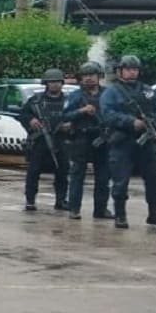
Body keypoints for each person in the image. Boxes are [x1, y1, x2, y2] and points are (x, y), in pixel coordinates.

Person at [98, 54, 156, 230]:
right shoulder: (111, 92)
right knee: (120, 181)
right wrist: (130, 122)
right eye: (128, 69)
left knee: (154, 179)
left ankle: (155, 214)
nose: (132, 72)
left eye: (134, 69)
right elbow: (107, 114)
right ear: (120, 71)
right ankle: (120, 215)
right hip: (122, 141)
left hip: (146, 142)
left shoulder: (147, 91)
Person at [61, 61, 111, 220]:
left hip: (102, 137)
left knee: (103, 176)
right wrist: (81, 111)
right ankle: (74, 209)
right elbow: (65, 116)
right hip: (81, 138)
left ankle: (101, 209)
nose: (89, 78)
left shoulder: (107, 94)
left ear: (99, 77)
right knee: (77, 175)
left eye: (92, 75)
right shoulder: (75, 96)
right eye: (85, 76)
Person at [18, 69, 70, 213]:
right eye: (51, 82)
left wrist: (70, 125)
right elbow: (23, 114)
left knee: (62, 171)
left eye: (58, 82)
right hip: (39, 142)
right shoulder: (36, 100)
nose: (55, 85)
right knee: (33, 172)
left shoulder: (68, 101)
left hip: (61, 141)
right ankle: (30, 201)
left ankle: (60, 200)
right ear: (46, 84)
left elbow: (75, 117)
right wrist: (31, 120)